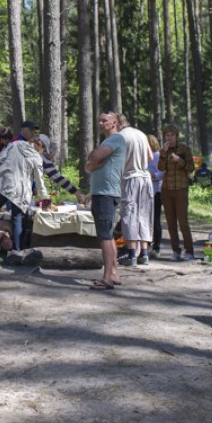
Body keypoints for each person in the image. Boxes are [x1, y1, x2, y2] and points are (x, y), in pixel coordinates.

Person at [0, 136, 47, 251]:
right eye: (44, 150)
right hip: (19, 190)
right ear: (41, 147)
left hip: (3, 183)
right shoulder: (37, 157)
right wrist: (45, 196)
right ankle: (17, 250)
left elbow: (1, 159)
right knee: (17, 219)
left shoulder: (16, 144)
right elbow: (39, 181)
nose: (43, 152)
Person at [85, 112, 126, 290]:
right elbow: (89, 165)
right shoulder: (106, 141)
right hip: (101, 193)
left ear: (114, 123)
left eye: (105, 121)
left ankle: (107, 279)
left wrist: (93, 161)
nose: (101, 124)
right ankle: (114, 274)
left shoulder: (116, 139)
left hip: (106, 193)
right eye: (99, 120)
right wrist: (92, 163)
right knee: (107, 234)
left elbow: (93, 158)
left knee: (105, 236)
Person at [114, 114, 154, 266]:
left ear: (117, 124)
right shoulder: (141, 134)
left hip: (130, 178)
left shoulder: (120, 137)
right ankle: (143, 254)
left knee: (129, 215)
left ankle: (131, 255)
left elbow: (117, 162)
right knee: (144, 214)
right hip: (145, 178)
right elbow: (150, 157)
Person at [158, 124, 195, 261]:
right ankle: (176, 251)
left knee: (183, 222)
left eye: (172, 135)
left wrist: (179, 161)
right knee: (171, 223)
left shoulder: (184, 149)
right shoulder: (164, 150)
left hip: (181, 189)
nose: (169, 137)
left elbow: (191, 167)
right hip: (166, 190)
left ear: (176, 136)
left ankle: (189, 251)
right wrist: (163, 153)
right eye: (167, 135)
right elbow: (160, 168)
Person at [34, 134, 85, 205]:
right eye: (53, 155)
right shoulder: (43, 159)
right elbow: (59, 179)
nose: (52, 157)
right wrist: (77, 193)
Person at [147, 134, 164, 258]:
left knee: (156, 219)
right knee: (146, 219)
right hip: (145, 191)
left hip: (157, 191)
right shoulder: (144, 156)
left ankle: (156, 247)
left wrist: (153, 175)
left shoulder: (158, 155)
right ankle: (146, 244)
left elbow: (163, 172)